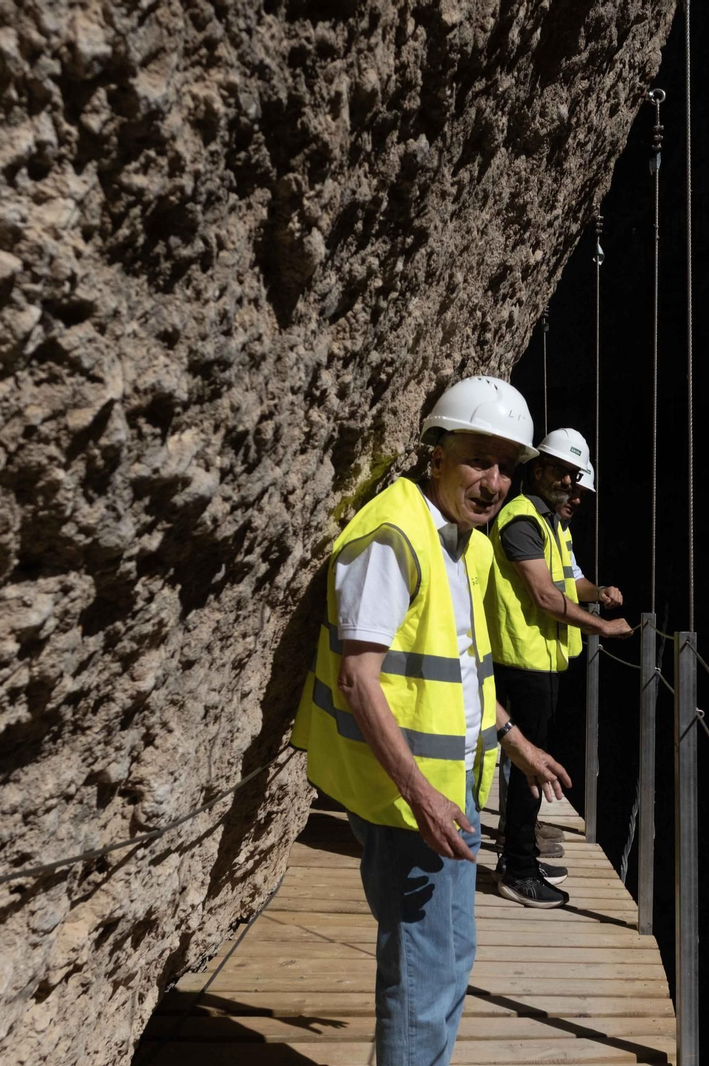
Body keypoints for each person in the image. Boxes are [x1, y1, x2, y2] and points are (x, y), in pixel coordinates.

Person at [290, 376, 573, 1066]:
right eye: (479, 459)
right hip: (410, 801)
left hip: (452, 789)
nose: (494, 481)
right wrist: (419, 795)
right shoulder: (393, 539)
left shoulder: (463, 543)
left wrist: (516, 743)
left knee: (448, 957)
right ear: (435, 454)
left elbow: (462, 672)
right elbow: (359, 681)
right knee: (424, 972)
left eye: (506, 467)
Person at [486, 428, 630, 908]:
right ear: (538, 468)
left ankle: (519, 850)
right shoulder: (522, 518)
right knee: (529, 768)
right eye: (562, 471)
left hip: (541, 659)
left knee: (529, 764)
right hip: (520, 659)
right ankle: (518, 871)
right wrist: (602, 628)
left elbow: (570, 581)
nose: (571, 483)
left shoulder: (551, 525)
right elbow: (546, 596)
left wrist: (600, 591)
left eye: (576, 476)